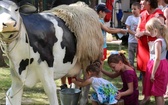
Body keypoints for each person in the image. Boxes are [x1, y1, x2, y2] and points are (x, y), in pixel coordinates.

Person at [135, 0, 165, 104]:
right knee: (144, 71)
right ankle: (146, 96)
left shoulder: (158, 14)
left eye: (143, 1)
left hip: (154, 46)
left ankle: (157, 93)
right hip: (143, 46)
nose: (141, 3)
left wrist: (143, 33)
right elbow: (138, 27)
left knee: (155, 71)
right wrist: (137, 33)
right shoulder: (143, 13)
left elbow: (160, 29)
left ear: (150, 2)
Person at [143, 17, 168, 105]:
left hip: (158, 67)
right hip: (163, 64)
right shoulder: (164, 39)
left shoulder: (158, 42)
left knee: (157, 93)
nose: (149, 33)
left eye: (150, 31)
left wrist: (153, 73)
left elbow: (157, 58)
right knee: (160, 92)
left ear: (155, 30)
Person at [125, 2, 141, 68]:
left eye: (135, 9)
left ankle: (141, 74)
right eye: (132, 9)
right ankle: (131, 72)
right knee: (130, 59)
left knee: (140, 59)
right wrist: (135, 33)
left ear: (139, 9)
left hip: (139, 42)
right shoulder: (129, 18)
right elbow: (127, 29)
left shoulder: (141, 17)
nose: (133, 11)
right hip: (131, 41)